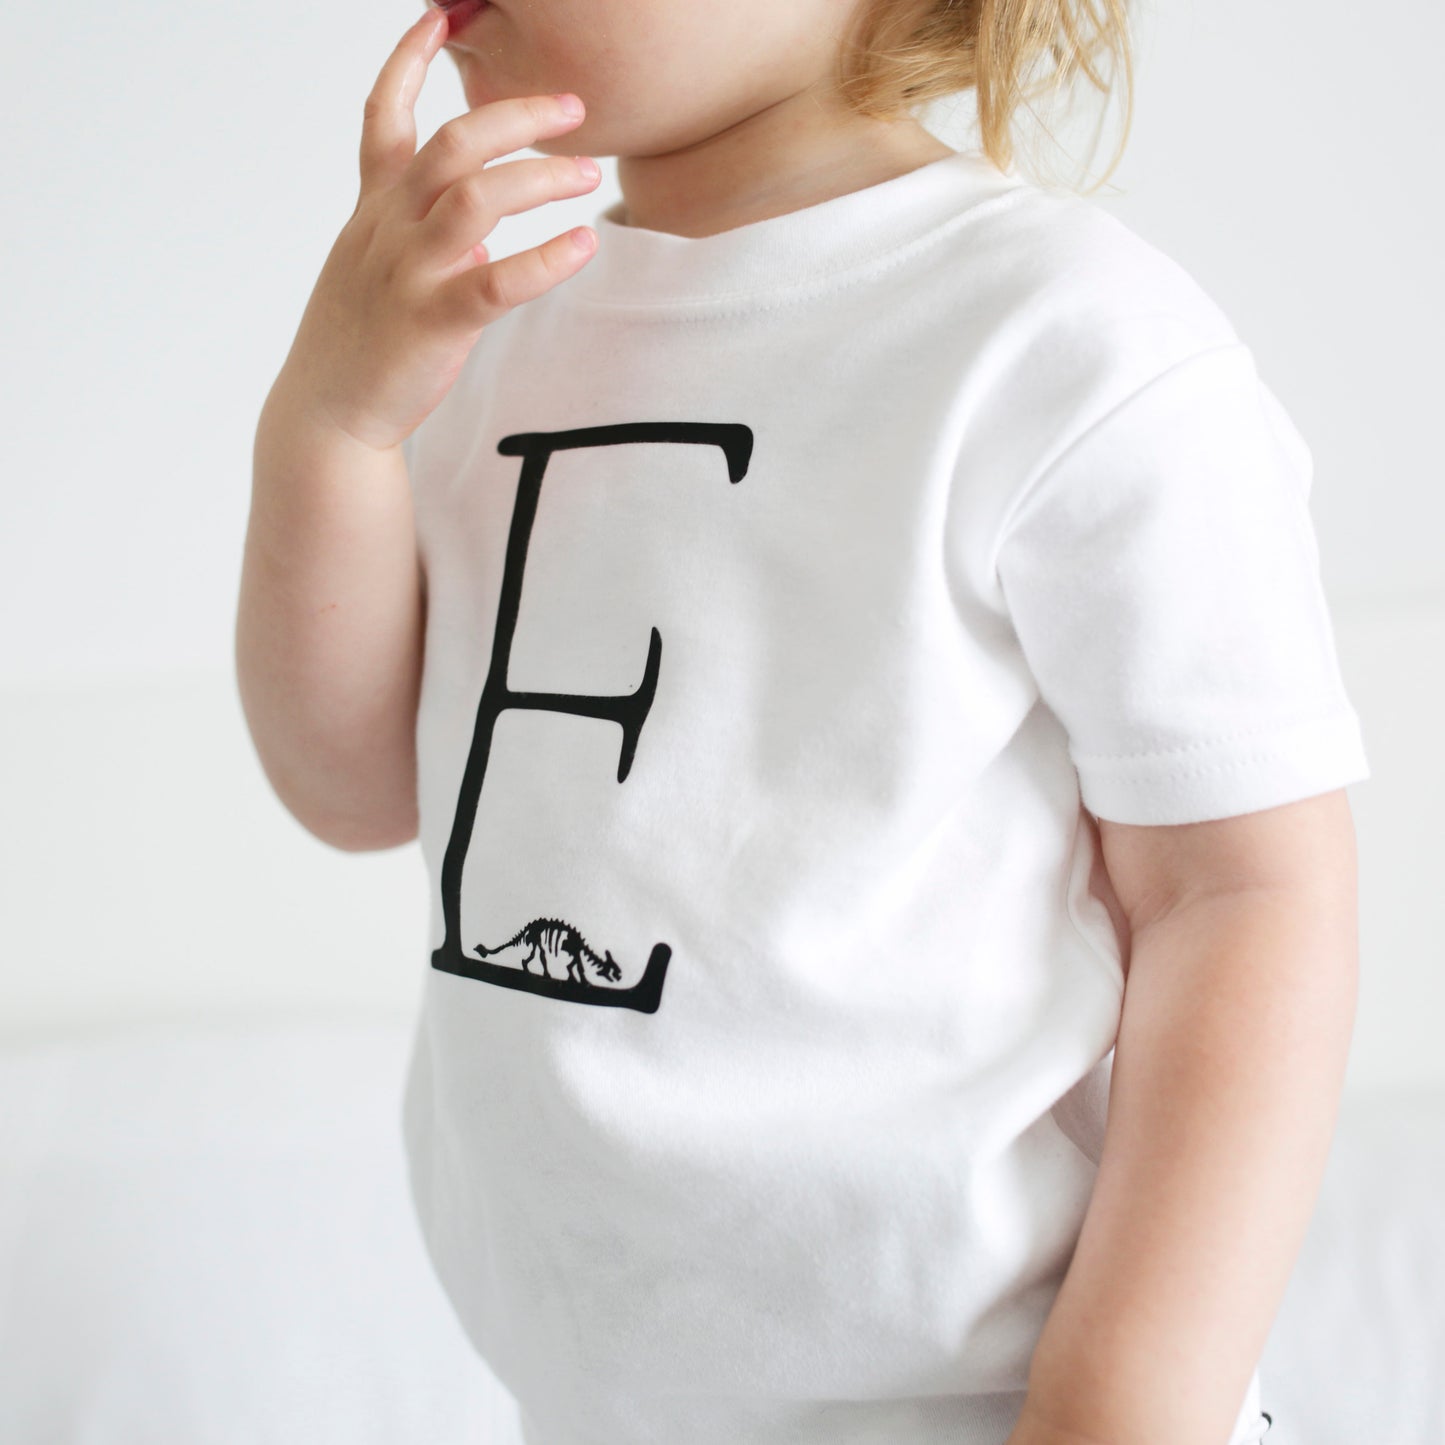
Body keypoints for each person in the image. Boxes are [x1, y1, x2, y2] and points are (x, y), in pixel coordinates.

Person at [235, 1, 1368, 1442]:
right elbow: (349, 788)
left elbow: (1244, 895)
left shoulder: (1066, 341)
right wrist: (331, 425)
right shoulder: (479, 326)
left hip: (1000, 1405)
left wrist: (1125, 1400)